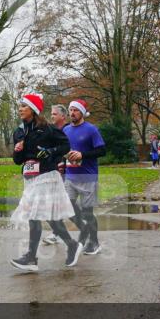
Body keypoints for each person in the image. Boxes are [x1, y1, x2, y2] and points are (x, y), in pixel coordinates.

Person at [9, 93, 82, 272]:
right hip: (30, 179)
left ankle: (31, 258)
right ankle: (72, 245)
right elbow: (18, 161)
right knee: (48, 217)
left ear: (33, 110)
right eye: (20, 106)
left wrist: (50, 151)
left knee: (35, 215)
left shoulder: (47, 129)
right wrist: (17, 150)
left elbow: (65, 146)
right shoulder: (19, 132)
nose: (20, 109)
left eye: (24, 106)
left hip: (47, 177)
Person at [62, 99, 106, 255]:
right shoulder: (66, 130)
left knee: (88, 212)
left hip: (88, 177)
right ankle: (85, 229)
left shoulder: (91, 129)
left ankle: (94, 242)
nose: (72, 113)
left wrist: (82, 155)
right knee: (67, 207)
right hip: (70, 176)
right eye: (70, 110)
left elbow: (102, 151)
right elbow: (62, 149)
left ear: (82, 112)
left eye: (75, 110)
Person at [40, 104, 70, 247]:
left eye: (54, 114)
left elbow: (69, 148)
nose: (51, 116)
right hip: (53, 171)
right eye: (51, 114)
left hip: (68, 173)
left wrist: (63, 162)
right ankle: (57, 233)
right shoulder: (51, 131)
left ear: (63, 116)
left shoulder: (68, 130)